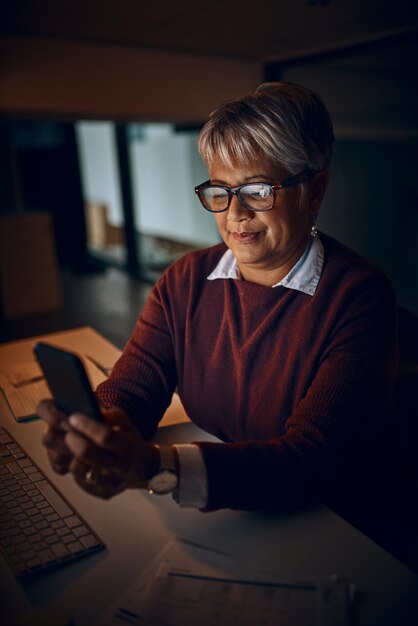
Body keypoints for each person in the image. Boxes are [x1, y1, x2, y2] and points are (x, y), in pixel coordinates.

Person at [38, 81, 404, 523]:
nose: (235, 214)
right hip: (230, 509)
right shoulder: (185, 279)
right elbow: (134, 390)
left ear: (315, 191)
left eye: (258, 190)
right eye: (220, 190)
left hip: (328, 525)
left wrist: (160, 467)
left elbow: (311, 462)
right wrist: (101, 428)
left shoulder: (358, 298)